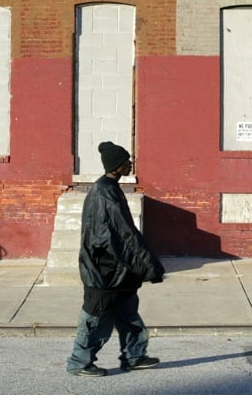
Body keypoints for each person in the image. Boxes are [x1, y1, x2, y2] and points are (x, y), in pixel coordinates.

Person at [66, 141, 166, 377]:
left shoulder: (110, 187)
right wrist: (148, 264)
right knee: (94, 319)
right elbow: (121, 236)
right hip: (103, 271)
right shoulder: (105, 192)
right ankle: (79, 362)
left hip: (119, 271)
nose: (130, 164)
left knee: (128, 312)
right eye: (126, 161)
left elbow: (123, 234)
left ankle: (135, 356)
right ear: (116, 166)